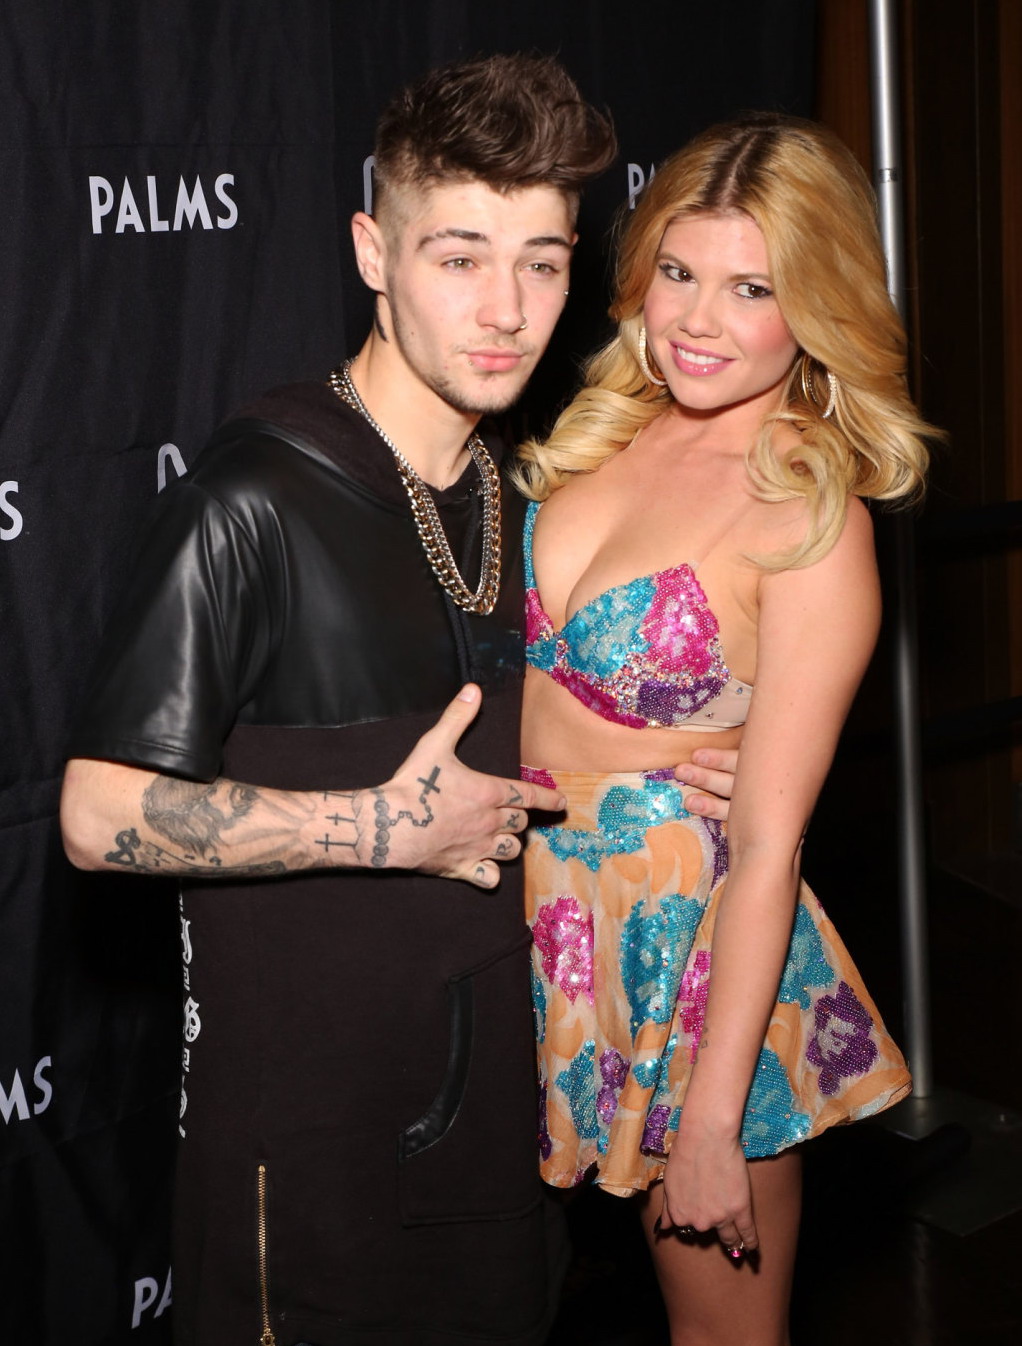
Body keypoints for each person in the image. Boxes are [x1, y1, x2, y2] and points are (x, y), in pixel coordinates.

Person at [58, 53, 628, 1346]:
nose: (506, 309)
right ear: (373, 252)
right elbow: (97, 814)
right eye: (458, 256)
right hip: (306, 1182)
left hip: (497, 1154)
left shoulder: (517, 492)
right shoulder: (250, 499)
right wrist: (376, 827)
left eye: (541, 262)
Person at [515, 112, 932, 1345]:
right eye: (677, 272)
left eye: (750, 288)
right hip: (524, 909)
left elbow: (765, 846)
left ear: (815, 306)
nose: (697, 320)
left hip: (683, 952)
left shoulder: (807, 511)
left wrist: (708, 1119)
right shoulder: (601, 429)